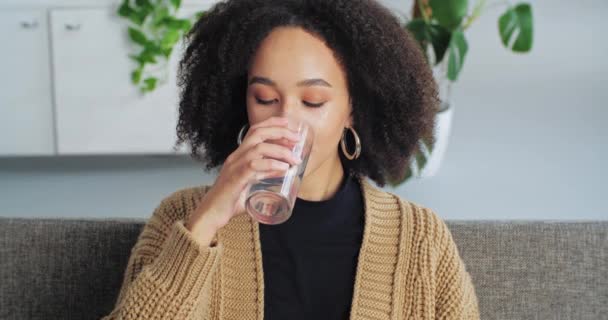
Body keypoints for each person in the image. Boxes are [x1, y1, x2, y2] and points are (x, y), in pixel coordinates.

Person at [101, 0, 480, 319]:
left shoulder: (421, 238)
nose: (285, 121)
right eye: (265, 99)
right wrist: (207, 220)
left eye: (313, 102)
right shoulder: (182, 217)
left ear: (353, 109)